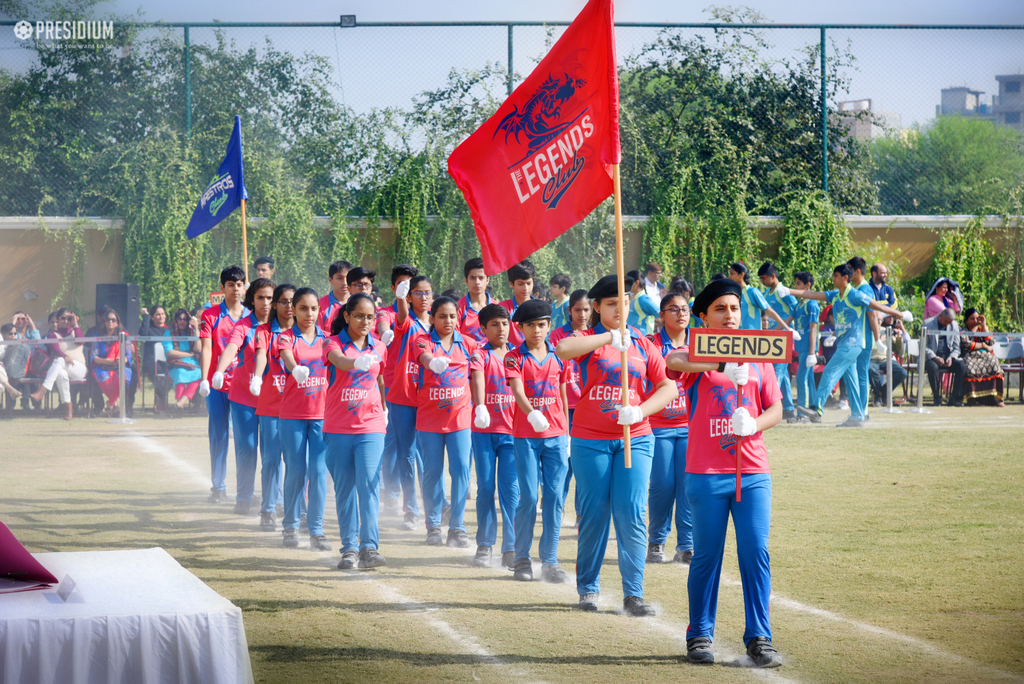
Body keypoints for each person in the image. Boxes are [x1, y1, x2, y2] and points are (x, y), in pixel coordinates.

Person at [664, 278, 784, 669]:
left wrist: (754, 424)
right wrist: (721, 364)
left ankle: (760, 637)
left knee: (756, 553)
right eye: (720, 308)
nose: (729, 315)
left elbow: (776, 409)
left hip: (751, 472)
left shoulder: (759, 354)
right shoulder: (697, 351)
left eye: (734, 307)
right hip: (705, 473)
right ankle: (699, 634)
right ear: (703, 316)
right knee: (707, 557)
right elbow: (673, 362)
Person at [554, 274, 677, 616]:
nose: (619, 308)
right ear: (596, 307)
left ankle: (633, 594)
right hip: (590, 438)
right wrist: (609, 337)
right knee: (594, 514)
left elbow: (668, 387)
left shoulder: (642, 342)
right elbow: (562, 350)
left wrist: (640, 409)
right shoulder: (588, 338)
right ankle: (588, 589)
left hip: (635, 438)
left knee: (632, 513)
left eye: (623, 302)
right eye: (611, 304)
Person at [786, 264, 912, 426]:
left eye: (836, 276)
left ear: (846, 278)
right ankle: (858, 417)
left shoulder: (855, 295)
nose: (833, 279)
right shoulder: (834, 295)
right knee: (851, 381)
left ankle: (816, 410)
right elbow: (811, 294)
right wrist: (788, 291)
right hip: (843, 345)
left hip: (853, 345)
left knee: (829, 372)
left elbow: (878, 307)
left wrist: (902, 315)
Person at [505, 300, 572, 584]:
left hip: (556, 435)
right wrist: (532, 413)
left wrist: (567, 432)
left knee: (555, 498)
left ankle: (551, 561)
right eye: (530, 325)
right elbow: (518, 391)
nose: (536, 330)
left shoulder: (559, 356)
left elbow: (563, 393)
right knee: (530, 497)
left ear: (549, 326)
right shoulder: (514, 357)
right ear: (520, 328)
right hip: (527, 436)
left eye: (542, 325)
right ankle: (521, 557)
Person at [323, 293, 389, 570]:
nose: (365, 321)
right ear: (347, 316)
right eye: (359, 315)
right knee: (345, 489)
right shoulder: (332, 342)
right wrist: (355, 362)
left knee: (369, 486)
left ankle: (369, 548)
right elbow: (338, 361)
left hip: (371, 426)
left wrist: (385, 408)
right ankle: (349, 548)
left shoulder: (379, 347)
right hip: (338, 427)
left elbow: (380, 377)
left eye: (370, 317)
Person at [414, 296, 478, 547]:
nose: (448, 321)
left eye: (452, 316)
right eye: (442, 316)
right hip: (429, 420)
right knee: (432, 473)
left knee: (461, 470)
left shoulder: (470, 345)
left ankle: (457, 527)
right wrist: (433, 362)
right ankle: (433, 526)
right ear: (432, 318)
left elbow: (477, 377)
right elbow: (423, 357)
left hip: (460, 420)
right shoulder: (423, 341)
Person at [212, 278, 275, 515]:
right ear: (252, 299)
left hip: (272, 399)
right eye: (260, 297)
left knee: (271, 451)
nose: (266, 303)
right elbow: (231, 348)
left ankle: (274, 500)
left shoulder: (281, 327)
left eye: (270, 298)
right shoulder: (243, 326)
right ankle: (244, 497)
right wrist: (219, 370)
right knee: (247, 447)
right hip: (243, 396)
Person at [277, 287, 331, 551]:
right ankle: (290, 526)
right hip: (292, 415)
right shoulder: (286, 337)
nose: (309, 313)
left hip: (322, 416)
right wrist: (295, 367)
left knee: (319, 473)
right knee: (296, 471)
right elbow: (286, 355)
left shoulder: (329, 340)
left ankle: (317, 530)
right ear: (293, 310)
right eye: (302, 308)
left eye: (313, 308)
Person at [469, 303, 519, 569]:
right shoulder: (479, 354)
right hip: (484, 431)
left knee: (510, 492)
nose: (501, 329)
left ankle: (510, 547)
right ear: (484, 329)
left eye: (504, 323)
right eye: (495, 324)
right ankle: (485, 545)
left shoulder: (517, 355)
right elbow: (477, 379)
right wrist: (479, 406)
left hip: (512, 434)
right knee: (486, 489)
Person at [646, 294, 692, 565]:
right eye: (673, 309)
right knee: (663, 485)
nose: (680, 314)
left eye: (685, 309)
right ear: (661, 316)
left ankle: (686, 545)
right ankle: (656, 541)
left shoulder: (698, 344)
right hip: (658, 425)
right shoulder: (650, 344)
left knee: (688, 487)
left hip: (689, 426)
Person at [198, 266, 249, 502]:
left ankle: (244, 490)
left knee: (243, 438)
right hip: (216, 386)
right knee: (218, 435)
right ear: (222, 288)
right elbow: (206, 348)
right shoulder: (210, 315)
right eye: (231, 285)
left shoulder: (251, 316)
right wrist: (204, 378)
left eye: (239, 284)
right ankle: (218, 487)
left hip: (242, 387)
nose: (235, 289)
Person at [389, 273, 434, 531]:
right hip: (404, 396)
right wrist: (400, 299)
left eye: (427, 292)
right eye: (418, 292)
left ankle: (434, 508)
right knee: (406, 453)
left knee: (429, 455)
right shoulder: (406, 323)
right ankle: (411, 509)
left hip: (430, 397)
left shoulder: (439, 324)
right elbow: (402, 316)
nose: (424, 297)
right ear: (409, 296)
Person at [376, 264, 419, 524]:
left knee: (418, 449)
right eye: (402, 286)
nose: (407, 291)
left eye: (411, 287)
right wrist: (385, 333)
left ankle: (423, 500)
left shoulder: (429, 316)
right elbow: (383, 324)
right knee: (393, 445)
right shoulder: (387, 313)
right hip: (393, 386)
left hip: (422, 389)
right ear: (394, 288)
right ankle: (392, 494)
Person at [251, 284, 296, 531]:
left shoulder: (307, 333)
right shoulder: (264, 332)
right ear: (275, 305)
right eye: (283, 301)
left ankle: (296, 508)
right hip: (270, 407)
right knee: (270, 461)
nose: (288, 307)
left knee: (298, 462)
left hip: (299, 408)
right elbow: (260, 355)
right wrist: (257, 376)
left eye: (292, 302)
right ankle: (267, 509)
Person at [547, 289, 590, 525]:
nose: (582, 314)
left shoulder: (596, 336)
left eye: (586, 309)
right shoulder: (556, 337)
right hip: (564, 407)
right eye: (577, 310)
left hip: (589, 408)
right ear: (568, 311)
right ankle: (556, 508)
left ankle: (582, 513)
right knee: (563, 463)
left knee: (583, 464)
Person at [757, 262, 802, 423]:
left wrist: (783, 327)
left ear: (773, 276)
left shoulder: (783, 293)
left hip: (783, 338)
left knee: (777, 374)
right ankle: (789, 410)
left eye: (763, 278)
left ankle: (770, 410)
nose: (762, 281)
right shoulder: (766, 293)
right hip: (770, 339)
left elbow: (796, 311)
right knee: (780, 375)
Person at [29, 307, 86, 421]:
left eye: (68, 318)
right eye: (63, 318)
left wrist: (75, 324)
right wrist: (65, 357)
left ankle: (42, 390)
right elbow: (56, 350)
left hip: (78, 369)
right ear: (58, 319)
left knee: (59, 360)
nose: (66, 321)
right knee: (60, 374)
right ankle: (68, 409)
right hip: (62, 367)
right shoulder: (52, 335)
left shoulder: (75, 331)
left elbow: (81, 341)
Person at [89, 307, 133, 413]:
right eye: (108, 319)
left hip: (119, 365)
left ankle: (110, 403)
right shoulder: (97, 336)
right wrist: (107, 361)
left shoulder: (123, 336)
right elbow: (93, 357)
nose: (110, 322)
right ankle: (115, 406)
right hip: (102, 366)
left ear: (117, 323)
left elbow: (128, 355)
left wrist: (122, 360)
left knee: (124, 375)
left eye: (113, 320)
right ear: (104, 322)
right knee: (103, 377)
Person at [960, 308, 1005, 407]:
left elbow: (991, 342)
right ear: (966, 320)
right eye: (972, 319)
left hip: (985, 356)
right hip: (970, 356)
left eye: (977, 318)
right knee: (970, 369)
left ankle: (997, 399)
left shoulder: (982, 329)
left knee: (995, 366)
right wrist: (984, 346)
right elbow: (967, 344)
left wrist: (984, 325)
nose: (975, 321)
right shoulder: (963, 330)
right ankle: (972, 399)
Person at [727, 262, 789, 331]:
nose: (729, 277)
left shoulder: (752, 292)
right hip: (737, 336)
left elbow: (769, 311)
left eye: (732, 274)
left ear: (741, 275)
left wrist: (787, 328)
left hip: (752, 337)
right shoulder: (733, 293)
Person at [923, 308, 966, 407]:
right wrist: (935, 357)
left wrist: (951, 357)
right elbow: (923, 346)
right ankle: (937, 398)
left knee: (962, 366)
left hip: (948, 358)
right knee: (932, 367)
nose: (947, 324)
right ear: (940, 316)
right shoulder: (927, 323)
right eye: (945, 321)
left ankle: (954, 398)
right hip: (932, 357)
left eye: (949, 322)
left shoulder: (954, 325)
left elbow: (956, 347)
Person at [791, 272, 821, 412]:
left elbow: (813, 329)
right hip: (801, 347)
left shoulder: (812, 304)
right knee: (807, 380)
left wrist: (812, 353)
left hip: (808, 349)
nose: (795, 286)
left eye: (798, 284)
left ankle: (803, 413)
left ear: (807, 285)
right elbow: (787, 322)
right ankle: (814, 409)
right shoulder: (799, 304)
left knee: (801, 379)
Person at [163, 308, 202, 410]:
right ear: (176, 320)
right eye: (180, 319)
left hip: (192, 364)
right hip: (174, 364)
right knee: (180, 372)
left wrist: (197, 330)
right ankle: (179, 405)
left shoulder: (192, 332)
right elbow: (170, 352)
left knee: (199, 373)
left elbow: (197, 349)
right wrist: (188, 355)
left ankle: (179, 405)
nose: (182, 321)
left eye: (185, 319)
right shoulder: (169, 333)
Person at [868, 315, 909, 405]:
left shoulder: (887, 331)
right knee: (871, 370)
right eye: (877, 319)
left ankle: (883, 392)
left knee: (902, 372)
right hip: (872, 359)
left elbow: (899, 352)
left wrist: (898, 340)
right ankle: (878, 396)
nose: (879, 322)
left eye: (880, 320)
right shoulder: (868, 330)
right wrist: (878, 340)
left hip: (886, 359)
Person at [139, 305, 170, 412]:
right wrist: (146, 316)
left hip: (168, 360)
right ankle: (162, 398)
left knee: (172, 372)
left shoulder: (170, 330)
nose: (160, 316)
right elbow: (142, 335)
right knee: (158, 373)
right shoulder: (149, 329)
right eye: (157, 314)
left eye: (162, 314)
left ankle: (161, 398)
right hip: (151, 361)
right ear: (152, 317)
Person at [499, 260, 536, 348]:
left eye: (529, 283)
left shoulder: (541, 308)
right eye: (520, 284)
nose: (525, 288)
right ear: (511, 284)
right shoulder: (503, 308)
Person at [457, 258, 494, 344]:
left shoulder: (496, 307)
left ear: (487, 280)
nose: (477, 282)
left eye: (481, 278)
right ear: (466, 281)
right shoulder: (458, 308)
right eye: (472, 278)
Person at [318, 260, 352, 333]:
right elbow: (318, 334)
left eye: (348, 278)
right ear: (330, 280)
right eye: (340, 278)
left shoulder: (359, 303)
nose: (345, 283)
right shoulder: (320, 305)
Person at [627, 269, 660, 335]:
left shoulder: (643, 299)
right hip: (632, 338)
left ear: (636, 283)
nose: (626, 286)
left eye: (628, 283)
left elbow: (661, 314)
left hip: (642, 339)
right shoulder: (633, 297)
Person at [0, 324, 25, 399]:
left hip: (9, 369)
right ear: (4, 334)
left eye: (15, 333)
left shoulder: (16, 344)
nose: (13, 335)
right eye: (10, 333)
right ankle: (10, 389)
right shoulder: (1, 343)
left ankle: (10, 389)